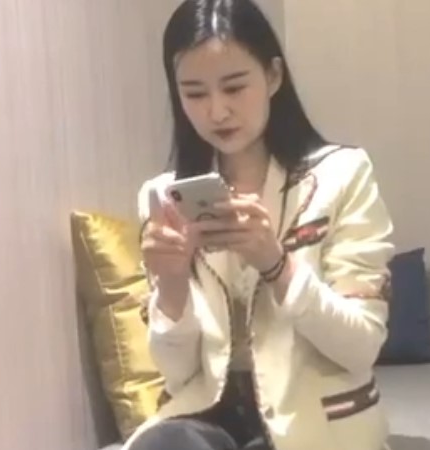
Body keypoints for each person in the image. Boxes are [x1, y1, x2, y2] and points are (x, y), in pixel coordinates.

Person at [125, 1, 395, 449]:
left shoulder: (342, 175)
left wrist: (276, 264)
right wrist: (171, 286)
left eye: (234, 87)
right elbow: (178, 374)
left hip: (310, 420)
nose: (217, 111)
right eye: (194, 93)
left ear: (273, 76)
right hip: (207, 416)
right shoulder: (165, 197)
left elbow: (361, 346)